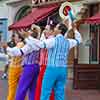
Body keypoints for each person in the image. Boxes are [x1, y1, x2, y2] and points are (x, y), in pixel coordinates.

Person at [5, 25, 41, 100]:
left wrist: (7, 48)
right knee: (32, 89)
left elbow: (19, 52)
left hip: (29, 67)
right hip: (36, 66)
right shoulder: (38, 42)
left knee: (21, 89)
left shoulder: (29, 45)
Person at [35, 23, 55, 100]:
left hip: (48, 66)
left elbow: (40, 44)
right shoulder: (47, 39)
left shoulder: (51, 40)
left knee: (45, 88)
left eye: (46, 29)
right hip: (44, 66)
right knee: (43, 87)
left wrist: (39, 31)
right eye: (45, 29)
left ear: (52, 31)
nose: (44, 31)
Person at [5, 33, 25, 100]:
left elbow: (13, 52)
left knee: (12, 89)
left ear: (20, 39)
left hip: (14, 68)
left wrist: (6, 48)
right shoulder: (21, 44)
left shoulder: (20, 44)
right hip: (20, 68)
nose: (14, 38)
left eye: (16, 37)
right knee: (20, 88)